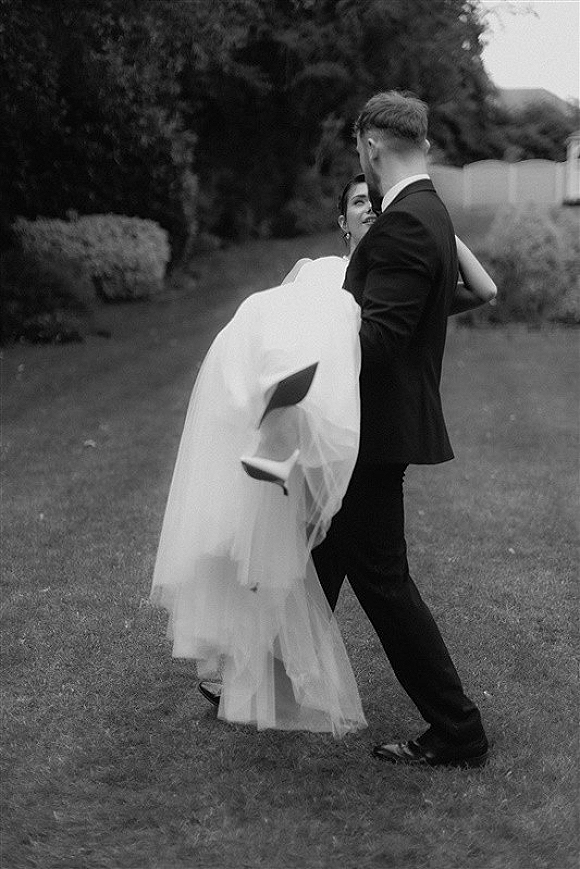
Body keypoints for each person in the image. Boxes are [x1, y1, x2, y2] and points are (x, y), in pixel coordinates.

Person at [151, 166, 495, 742]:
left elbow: (484, 291)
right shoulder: (320, 276)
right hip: (330, 448)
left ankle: (456, 724)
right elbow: (279, 353)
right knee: (320, 563)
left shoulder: (403, 282)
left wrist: (437, 227)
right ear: (342, 223)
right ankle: (254, 683)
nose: (371, 208)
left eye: (378, 201)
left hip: (369, 446)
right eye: (359, 203)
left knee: (362, 573)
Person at [311, 90, 491, 768]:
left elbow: (380, 340)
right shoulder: (429, 214)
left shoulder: (406, 223)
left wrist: (303, 346)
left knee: (383, 583)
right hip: (374, 427)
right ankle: (262, 674)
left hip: (372, 433)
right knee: (323, 548)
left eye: (361, 151)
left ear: (372, 146)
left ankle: (458, 728)